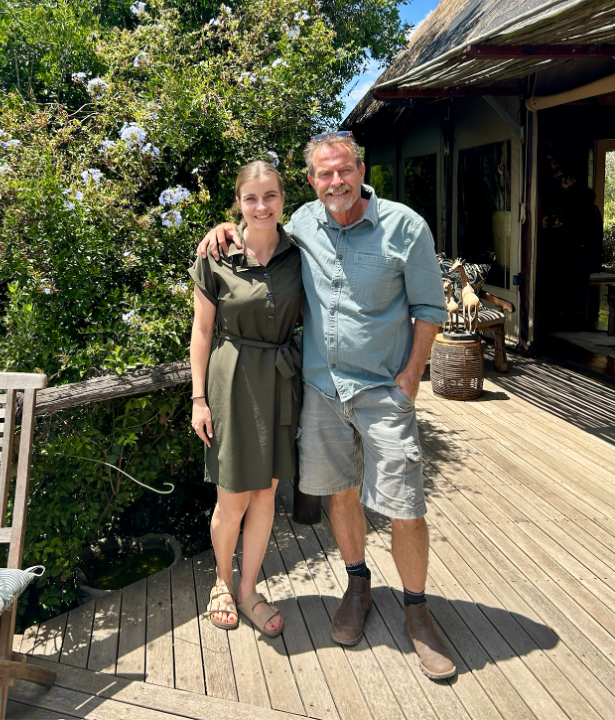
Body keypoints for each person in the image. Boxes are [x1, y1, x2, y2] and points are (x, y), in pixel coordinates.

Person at [198, 133, 456, 679]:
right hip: (319, 389)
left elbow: (430, 308)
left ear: (361, 169)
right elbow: (255, 230)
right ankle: (357, 585)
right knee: (340, 493)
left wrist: (410, 378)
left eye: (344, 170)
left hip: (382, 389)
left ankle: (417, 610)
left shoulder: (405, 226)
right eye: (324, 173)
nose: (336, 181)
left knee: (405, 505)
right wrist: (224, 228)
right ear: (312, 181)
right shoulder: (303, 225)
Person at [188, 160, 302, 638]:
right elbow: (202, 331)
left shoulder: (300, 252)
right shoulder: (217, 255)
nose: (261, 206)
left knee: (265, 495)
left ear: (283, 199)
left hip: (280, 381)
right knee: (232, 495)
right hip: (231, 381)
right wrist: (198, 398)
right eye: (251, 198)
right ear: (238, 202)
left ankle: (250, 589)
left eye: (270, 195)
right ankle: (222, 581)